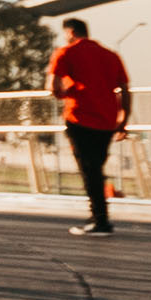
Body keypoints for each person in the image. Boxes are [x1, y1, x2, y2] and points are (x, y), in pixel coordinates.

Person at [49, 14, 133, 236]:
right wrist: (123, 120)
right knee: (96, 167)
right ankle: (97, 215)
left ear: (70, 32)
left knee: (89, 170)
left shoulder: (66, 53)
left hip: (80, 119)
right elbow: (125, 89)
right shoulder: (110, 55)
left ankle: (101, 221)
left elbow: (53, 87)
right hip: (107, 121)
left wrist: (67, 92)